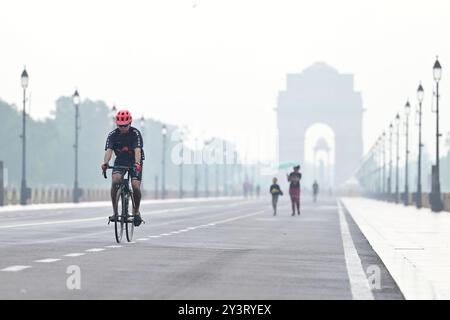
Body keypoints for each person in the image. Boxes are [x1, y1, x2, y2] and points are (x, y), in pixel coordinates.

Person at [101, 110, 145, 227]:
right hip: (121, 159)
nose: (123, 128)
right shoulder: (112, 135)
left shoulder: (135, 133)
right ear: (117, 125)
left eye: (125, 126)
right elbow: (109, 151)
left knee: (135, 185)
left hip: (134, 160)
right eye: (120, 126)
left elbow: (137, 150)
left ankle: (136, 212)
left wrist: (137, 163)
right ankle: (115, 212)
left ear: (130, 123)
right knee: (115, 180)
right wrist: (105, 163)